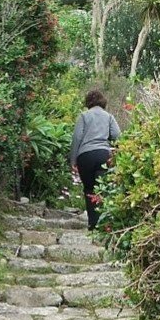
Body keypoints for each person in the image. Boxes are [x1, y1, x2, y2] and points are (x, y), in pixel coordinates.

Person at [69, 89, 120, 231]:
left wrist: (73, 160)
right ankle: (104, 225)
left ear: (88, 103)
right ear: (102, 101)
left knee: (89, 189)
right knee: (102, 189)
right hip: (104, 154)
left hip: (85, 156)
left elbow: (77, 138)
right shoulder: (109, 116)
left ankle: (93, 223)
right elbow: (117, 136)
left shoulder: (84, 116)